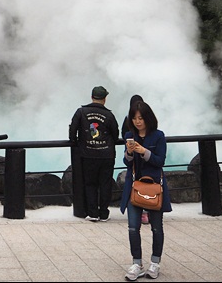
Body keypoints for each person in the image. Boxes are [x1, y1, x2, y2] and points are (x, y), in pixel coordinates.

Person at [120, 100, 172, 281]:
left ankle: (155, 263)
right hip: (134, 186)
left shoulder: (158, 136)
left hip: (154, 187)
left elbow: (160, 161)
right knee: (133, 228)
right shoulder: (129, 135)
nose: (137, 122)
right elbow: (126, 163)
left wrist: (144, 151)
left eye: (141, 118)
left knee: (157, 228)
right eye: (134, 118)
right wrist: (129, 152)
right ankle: (137, 263)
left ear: (148, 118)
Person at [69, 85, 119, 222]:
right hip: (107, 155)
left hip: (88, 154)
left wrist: (75, 142)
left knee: (90, 184)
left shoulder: (81, 112)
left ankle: (92, 213)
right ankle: (103, 213)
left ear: (92, 97)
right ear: (105, 99)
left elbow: (72, 129)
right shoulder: (109, 115)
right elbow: (115, 134)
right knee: (105, 184)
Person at [121, 95, 149, 225]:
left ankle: (139, 209)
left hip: (136, 159)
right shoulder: (139, 120)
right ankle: (145, 210)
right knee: (145, 184)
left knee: (135, 184)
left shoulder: (128, 119)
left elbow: (122, 134)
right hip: (138, 158)